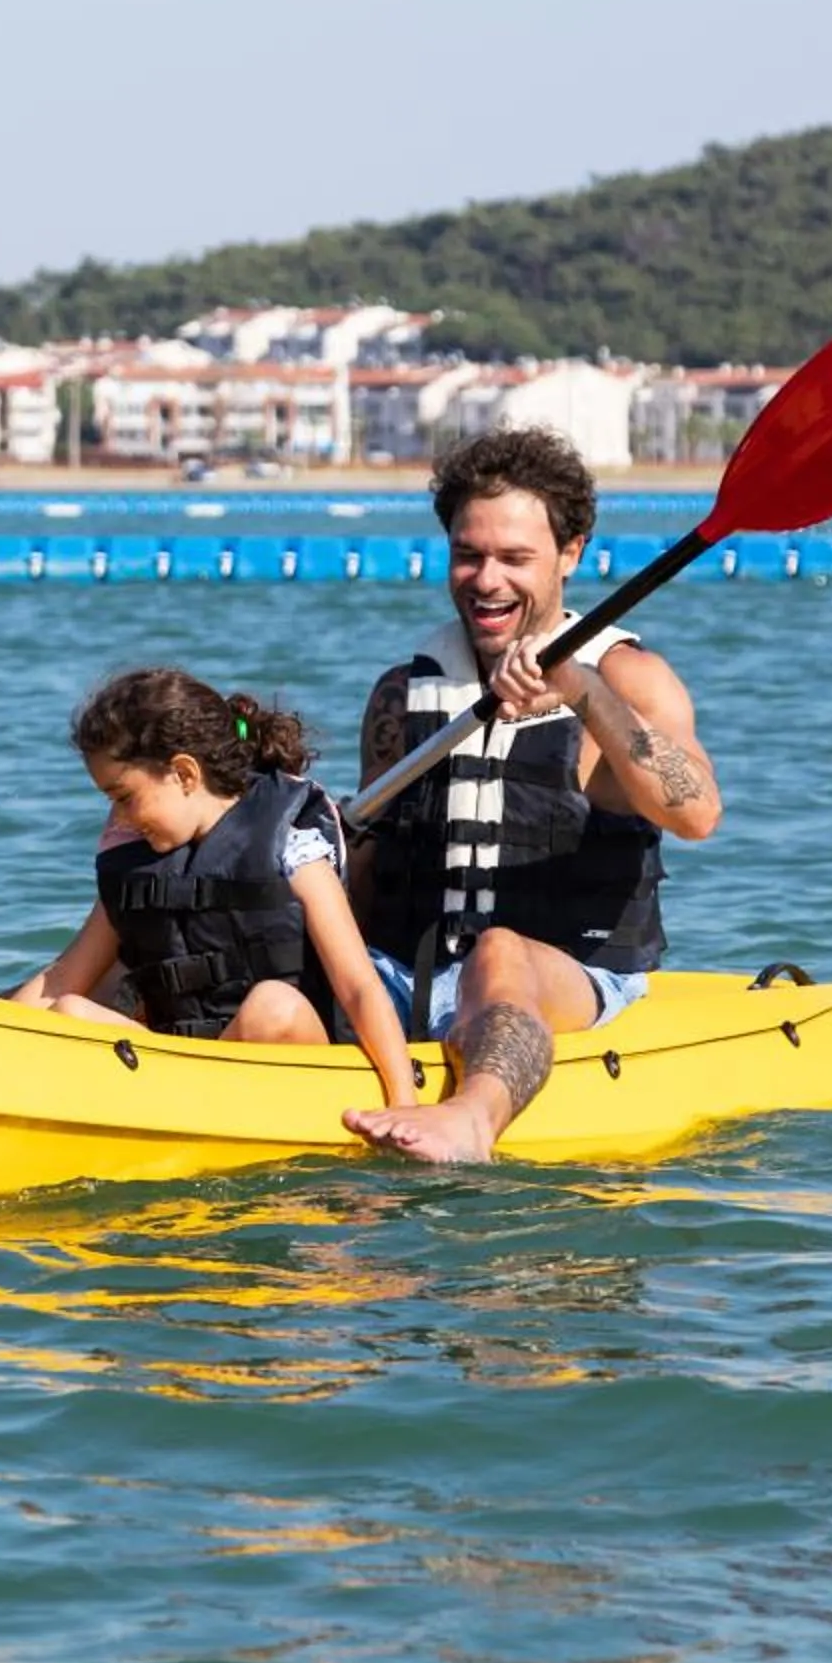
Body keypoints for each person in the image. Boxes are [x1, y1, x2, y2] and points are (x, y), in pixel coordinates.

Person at [0, 666, 421, 1110]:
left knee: (271, 1002)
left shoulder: (291, 846)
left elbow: (358, 986)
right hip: (190, 1071)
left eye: (125, 797)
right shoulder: (140, 865)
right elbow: (65, 975)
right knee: (67, 1011)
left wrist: (404, 1108)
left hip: (288, 1067)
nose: (116, 818)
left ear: (183, 773)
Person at [337, 425, 723, 1164]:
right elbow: (366, 864)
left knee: (499, 953)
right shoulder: (403, 691)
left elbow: (698, 812)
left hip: (569, 976)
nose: (487, 581)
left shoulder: (629, 680)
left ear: (571, 553)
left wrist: (580, 691)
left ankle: (474, 1119)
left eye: (515, 559)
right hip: (406, 974)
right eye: (468, 554)